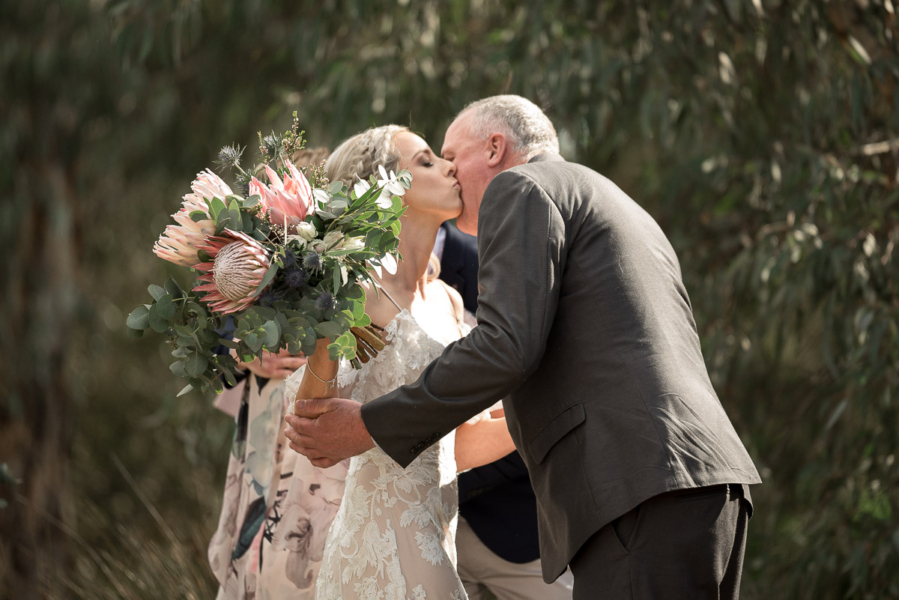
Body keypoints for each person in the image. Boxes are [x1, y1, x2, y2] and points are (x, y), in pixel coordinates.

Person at [285, 95, 762, 599]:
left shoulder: (522, 188)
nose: (448, 169)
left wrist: (366, 425)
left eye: (450, 154)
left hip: (637, 489)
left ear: (495, 148)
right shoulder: (614, 199)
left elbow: (506, 349)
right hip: (706, 481)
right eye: (431, 159)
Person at [284, 125, 516, 599]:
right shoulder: (358, 293)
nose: (451, 167)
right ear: (388, 191)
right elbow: (309, 420)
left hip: (438, 534)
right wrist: (329, 327)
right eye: (427, 161)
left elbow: (458, 445)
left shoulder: (450, 302)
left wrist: (547, 415)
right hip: (377, 545)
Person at [208, 148, 349, 600]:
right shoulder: (250, 249)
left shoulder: (344, 250)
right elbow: (219, 323)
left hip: (319, 412)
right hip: (267, 408)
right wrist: (243, 351)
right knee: (253, 534)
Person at [436, 221, 573, 600]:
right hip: (419, 537)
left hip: (516, 525)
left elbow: (543, 399)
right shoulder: (361, 283)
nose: (446, 162)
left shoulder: (496, 264)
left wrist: (432, 486)